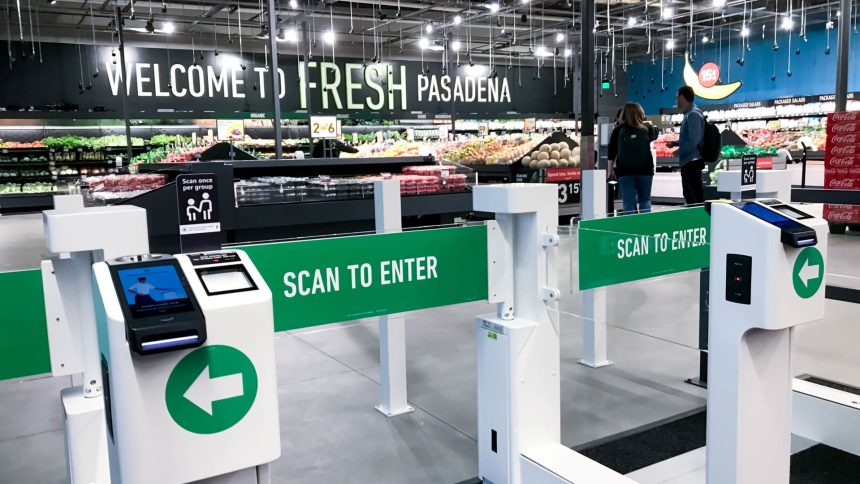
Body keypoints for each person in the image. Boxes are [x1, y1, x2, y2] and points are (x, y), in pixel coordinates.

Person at [608, 102, 658, 215]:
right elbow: (655, 133)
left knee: (628, 202)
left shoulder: (617, 130)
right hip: (645, 170)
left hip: (625, 171)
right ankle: (645, 224)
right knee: (645, 200)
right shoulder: (647, 128)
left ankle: (630, 225)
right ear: (640, 113)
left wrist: (610, 170)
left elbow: (611, 151)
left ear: (624, 114)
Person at [667, 86, 706, 205]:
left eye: (677, 97)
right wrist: (675, 143)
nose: (676, 100)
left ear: (682, 97)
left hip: (692, 161)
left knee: (694, 197)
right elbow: (689, 138)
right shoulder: (689, 114)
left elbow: (694, 140)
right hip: (689, 162)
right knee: (690, 195)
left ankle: (699, 216)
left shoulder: (693, 114)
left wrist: (679, 151)